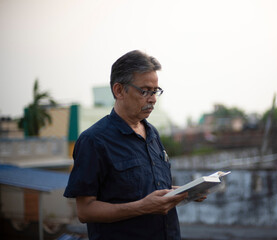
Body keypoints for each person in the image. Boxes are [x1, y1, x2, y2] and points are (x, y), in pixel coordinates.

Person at [64, 50, 189, 240]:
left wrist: (180, 192)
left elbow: (143, 186)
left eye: (155, 91)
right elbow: (85, 211)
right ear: (119, 90)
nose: (153, 99)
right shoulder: (94, 140)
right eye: (145, 91)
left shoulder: (152, 133)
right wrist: (142, 207)